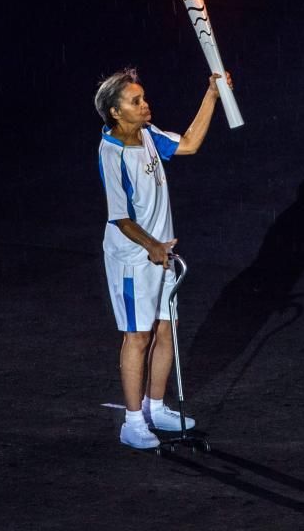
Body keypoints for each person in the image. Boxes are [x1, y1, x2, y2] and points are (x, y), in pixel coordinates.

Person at [95, 68, 231, 449]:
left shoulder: (149, 136)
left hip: (162, 253)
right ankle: (132, 422)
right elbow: (119, 216)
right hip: (134, 259)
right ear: (115, 112)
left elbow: (187, 143)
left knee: (165, 330)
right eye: (135, 101)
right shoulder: (113, 153)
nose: (144, 104)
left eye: (143, 97)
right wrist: (152, 246)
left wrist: (212, 96)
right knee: (137, 337)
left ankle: (156, 408)